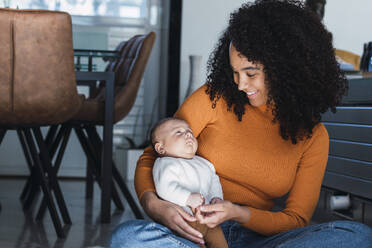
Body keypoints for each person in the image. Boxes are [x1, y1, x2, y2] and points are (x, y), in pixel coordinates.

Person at [111, 0, 372, 247]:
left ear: (284, 69)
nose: (240, 84)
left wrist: (237, 213)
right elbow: (151, 156)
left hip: (259, 239)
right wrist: (155, 205)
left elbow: (296, 219)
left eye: (250, 73)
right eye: (235, 72)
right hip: (195, 233)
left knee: (357, 237)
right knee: (128, 238)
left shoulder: (313, 137)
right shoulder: (213, 98)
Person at [150, 117, 228, 248]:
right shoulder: (165, 163)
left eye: (189, 131)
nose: (188, 134)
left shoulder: (204, 163)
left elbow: (214, 180)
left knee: (219, 241)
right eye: (178, 132)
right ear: (161, 148)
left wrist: (216, 197)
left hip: (208, 218)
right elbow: (165, 188)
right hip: (184, 219)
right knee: (190, 241)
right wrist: (187, 198)